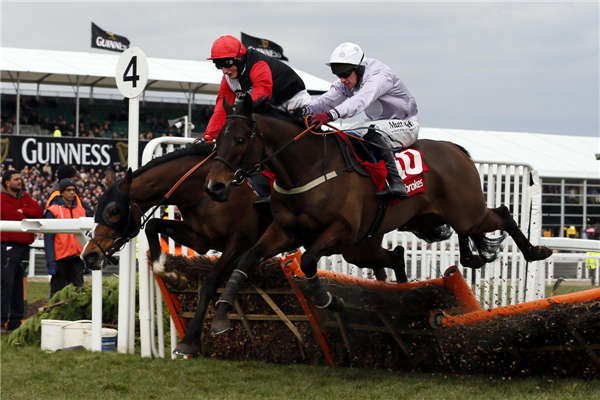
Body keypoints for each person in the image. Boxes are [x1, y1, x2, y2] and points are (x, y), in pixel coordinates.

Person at [304, 42, 419, 199]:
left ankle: (397, 183)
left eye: (344, 74)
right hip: (381, 123)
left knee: (372, 130)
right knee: (341, 134)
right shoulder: (350, 78)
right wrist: (302, 111)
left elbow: (360, 100)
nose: (342, 79)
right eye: (338, 75)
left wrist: (330, 115)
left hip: (406, 125)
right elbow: (327, 101)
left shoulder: (380, 77)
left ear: (358, 68)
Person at [203, 35, 311, 141]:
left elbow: (258, 102)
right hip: (273, 108)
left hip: (295, 103)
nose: (224, 71)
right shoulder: (228, 78)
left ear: (239, 57)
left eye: (226, 63)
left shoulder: (259, 65)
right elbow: (221, 110)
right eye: (218, 65)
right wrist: (208, 136)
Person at [1, 170, 44, 332]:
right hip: (8, 247)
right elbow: (12, 217)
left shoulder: (25, 197)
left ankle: (16, 322)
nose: (20, 181)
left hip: (23, 247)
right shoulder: (2, 198)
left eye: (21, 178)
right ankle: (1, 322)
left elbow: (39, 212)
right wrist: (25, 215)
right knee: (6, 284)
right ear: (7, 182)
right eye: (16, 179)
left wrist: (24, 212)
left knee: (19, 285)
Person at [44, 179, 87, 298]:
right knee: (57, 295)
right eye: (69, 190)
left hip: (77, 258)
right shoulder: (53, 211)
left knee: (79, 295)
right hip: (60, 259)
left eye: (74, 190)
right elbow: (48, 239)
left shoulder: (81, 210)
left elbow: (85, 235)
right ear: (62, 192)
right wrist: (51, 263)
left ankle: (77, 317)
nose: (72, 193)